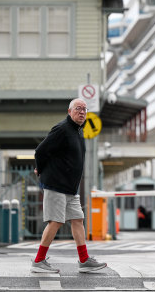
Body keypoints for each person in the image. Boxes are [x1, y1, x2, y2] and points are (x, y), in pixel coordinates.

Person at [30, 98, 107, 274]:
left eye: (85, 110)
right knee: (56, 221)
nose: (82, 112)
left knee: (78, 220)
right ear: (69, 111)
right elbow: (40, 151)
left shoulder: (78, 131)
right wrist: (40, 169)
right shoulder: (62, 129)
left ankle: (84, 260)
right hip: (56, 184)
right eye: (78, 109)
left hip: (70, 188)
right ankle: (38, 261)